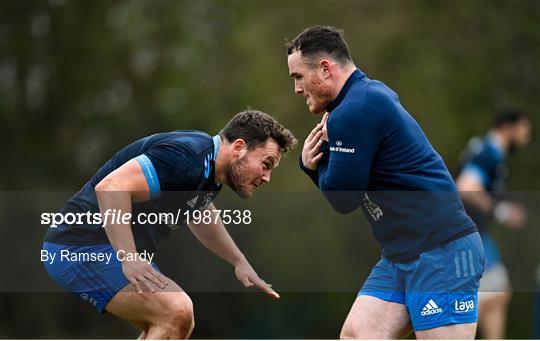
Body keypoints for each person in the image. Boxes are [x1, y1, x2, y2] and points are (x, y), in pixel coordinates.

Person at [286, 25, 484, 339]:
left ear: (324, 68)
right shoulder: (364, 96)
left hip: (440, 252)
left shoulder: (354, 109)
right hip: (400, 256)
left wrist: (312, 168)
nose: (297, 88)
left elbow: (343, 199)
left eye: (298, 77)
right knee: (357, 334)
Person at [41, 109, 297, 339]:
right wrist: (128, 257)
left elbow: (199, 213)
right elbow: (111, 188)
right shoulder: (186, 157)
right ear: (239, 147)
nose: (267, 178)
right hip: (79, 247)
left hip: (103, 248)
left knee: (174, 321)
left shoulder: (210, 171)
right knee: (176, 311)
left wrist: (239, 261)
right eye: (266, 164)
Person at [455, 109, 531, 339]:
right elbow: (466, 185)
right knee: (491, 294)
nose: (527, 134)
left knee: (496, 295)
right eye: (524, 127)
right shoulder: (491, 152)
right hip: (464, 235)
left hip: (469, 234)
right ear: (509, 127)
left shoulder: (486, 149)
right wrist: (501, 210)